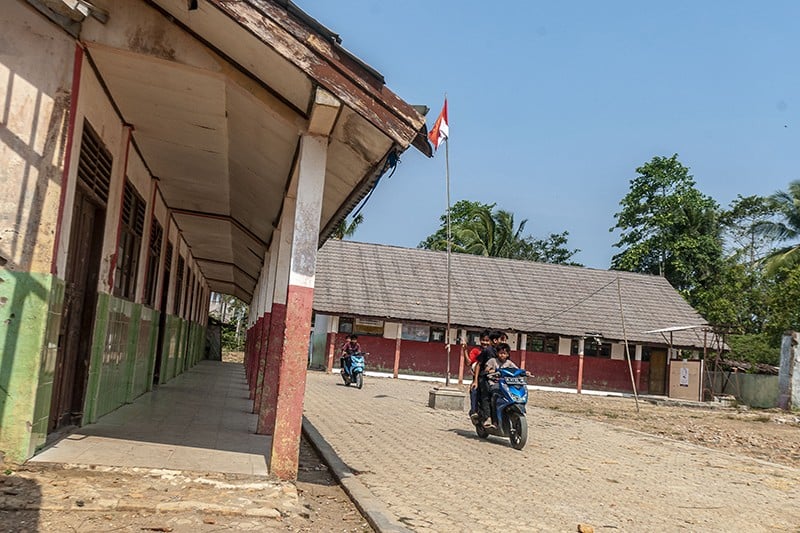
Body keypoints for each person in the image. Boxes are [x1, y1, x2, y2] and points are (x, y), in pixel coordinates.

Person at [484, 342, 533, 426]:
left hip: (507, 385)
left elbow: (516, 370)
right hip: (495, 384)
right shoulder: (493, 361)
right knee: (494, 398)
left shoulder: (509, 363)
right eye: (500, 353)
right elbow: (487, 368)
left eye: (504, 353)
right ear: (497, 353)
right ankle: (493, 420)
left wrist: (525, 373)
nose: (502, 355)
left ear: (507, 354)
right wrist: (490, 370)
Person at [473, 330, 504, 428]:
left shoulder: (502, 351)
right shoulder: (487, 351)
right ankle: (488, 417)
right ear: (495, 340)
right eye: (502, 339)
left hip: (498, 378)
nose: (503, 342)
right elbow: (478, 364)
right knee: (487, 395)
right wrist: (475, 381)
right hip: (485, 377)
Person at [462, 330, 491, 418]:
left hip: (492, 378)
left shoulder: (494, 351)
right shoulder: (476, 351)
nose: (485, 343)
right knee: (474, 391)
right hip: (478, 378)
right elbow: (468, 363)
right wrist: (465, 350)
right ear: (480, 340)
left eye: (487, 340)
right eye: (483, 340)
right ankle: (474, 411)